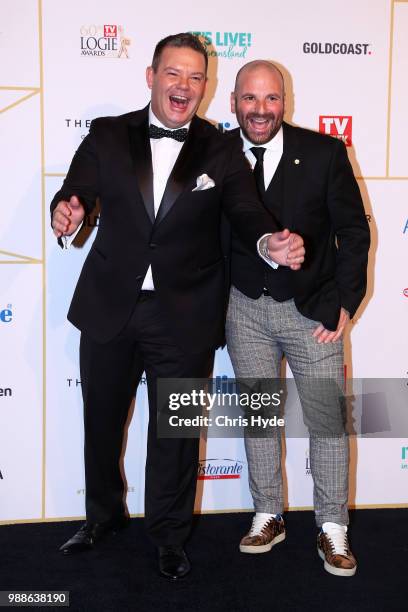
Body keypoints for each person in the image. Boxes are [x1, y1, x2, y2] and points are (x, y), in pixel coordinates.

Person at [50, 35, 305, 580]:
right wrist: (68, 207)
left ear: (206, 87)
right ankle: (103, 517)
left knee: (178, 432)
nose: (183, 87)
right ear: (150, 76)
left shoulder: (220, 148)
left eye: (195, 78)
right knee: (101, 423)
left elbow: (245, 209)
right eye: (173, 74)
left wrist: (268, 243)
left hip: (184, 316)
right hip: (109, 308)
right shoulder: (108, 133)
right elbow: (77, 188)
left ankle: (168, 535)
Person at [226, 60, 370, 577]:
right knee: (260, 418)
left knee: (328, 421)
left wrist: (346, 303)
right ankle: (269, 513)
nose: (260, 110)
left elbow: (354, 233)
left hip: (312, 311)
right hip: (243, 307)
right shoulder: (219, 155)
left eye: (270, 99)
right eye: (249, 98)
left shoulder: (325, 152)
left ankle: (333, 525)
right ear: (233, 102)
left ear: (284, 101)